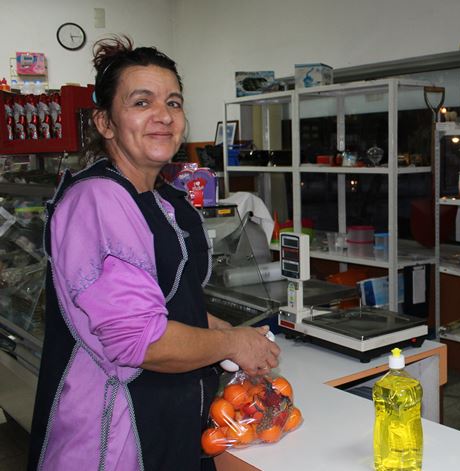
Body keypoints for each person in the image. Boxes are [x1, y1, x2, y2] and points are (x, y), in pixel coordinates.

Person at [28, 36, 281, 470]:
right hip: (114, 434)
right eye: (141, 103)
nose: (164, 116)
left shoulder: (160, 198)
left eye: (174, 102)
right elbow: (139, 341)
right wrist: (232, 342)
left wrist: (234, 337)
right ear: (105, 123)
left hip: (171, 420)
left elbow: (169, 304)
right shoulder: (98, 201)